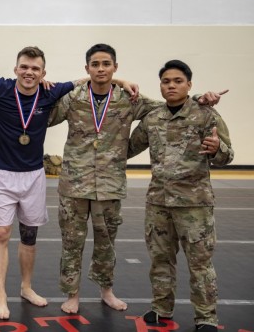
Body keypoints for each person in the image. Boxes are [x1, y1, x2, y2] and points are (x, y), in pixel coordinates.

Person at [48, 43, 224, 315]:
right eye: (95, 64)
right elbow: (45, 117)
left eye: (106, 64)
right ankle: (72, 294)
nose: (101, 69)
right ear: (87, 69)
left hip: (109, 184)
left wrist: (201, 97)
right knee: (72, 242)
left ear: (115, 67)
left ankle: (106, 290)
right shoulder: (73, 97)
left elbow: (169, 104)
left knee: (106, 243)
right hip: (74, 184)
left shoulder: (129, 99)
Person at [0, 46, 90, 320]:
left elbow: (83, 80)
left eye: (35, 69)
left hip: (34, 176)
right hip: (3, 174)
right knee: (2, 233)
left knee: (29, 235)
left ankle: (26, 287)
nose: (29, 72)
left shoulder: (50, 92)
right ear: (16, 69)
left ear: (43, 73)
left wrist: (122, 81)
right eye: (24, 67)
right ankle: (1, 295)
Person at [127, 60, 233, 332]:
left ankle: (206, 317)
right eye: (166, 81)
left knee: (200, 263)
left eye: (177, 81)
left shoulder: (206, 115)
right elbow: (128, 148)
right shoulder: (153, 118)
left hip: (194, 205)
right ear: (160, 85)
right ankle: (161, 308)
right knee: (160, 259)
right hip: (159, 203)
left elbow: (227, 155)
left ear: (189, 85)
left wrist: (216, 149)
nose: (171, 85)